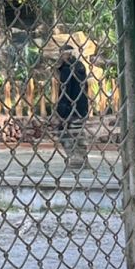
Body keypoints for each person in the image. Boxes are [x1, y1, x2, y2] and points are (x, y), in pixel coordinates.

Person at [55, 41, 91, 172]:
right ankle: (81, 159)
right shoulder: (80, 66)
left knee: (64, 133)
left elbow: (65, 92)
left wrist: (61, 111)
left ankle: (76, 159)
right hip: (81, 107)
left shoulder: (67, 69)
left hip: (70, 108)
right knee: (78, 133)